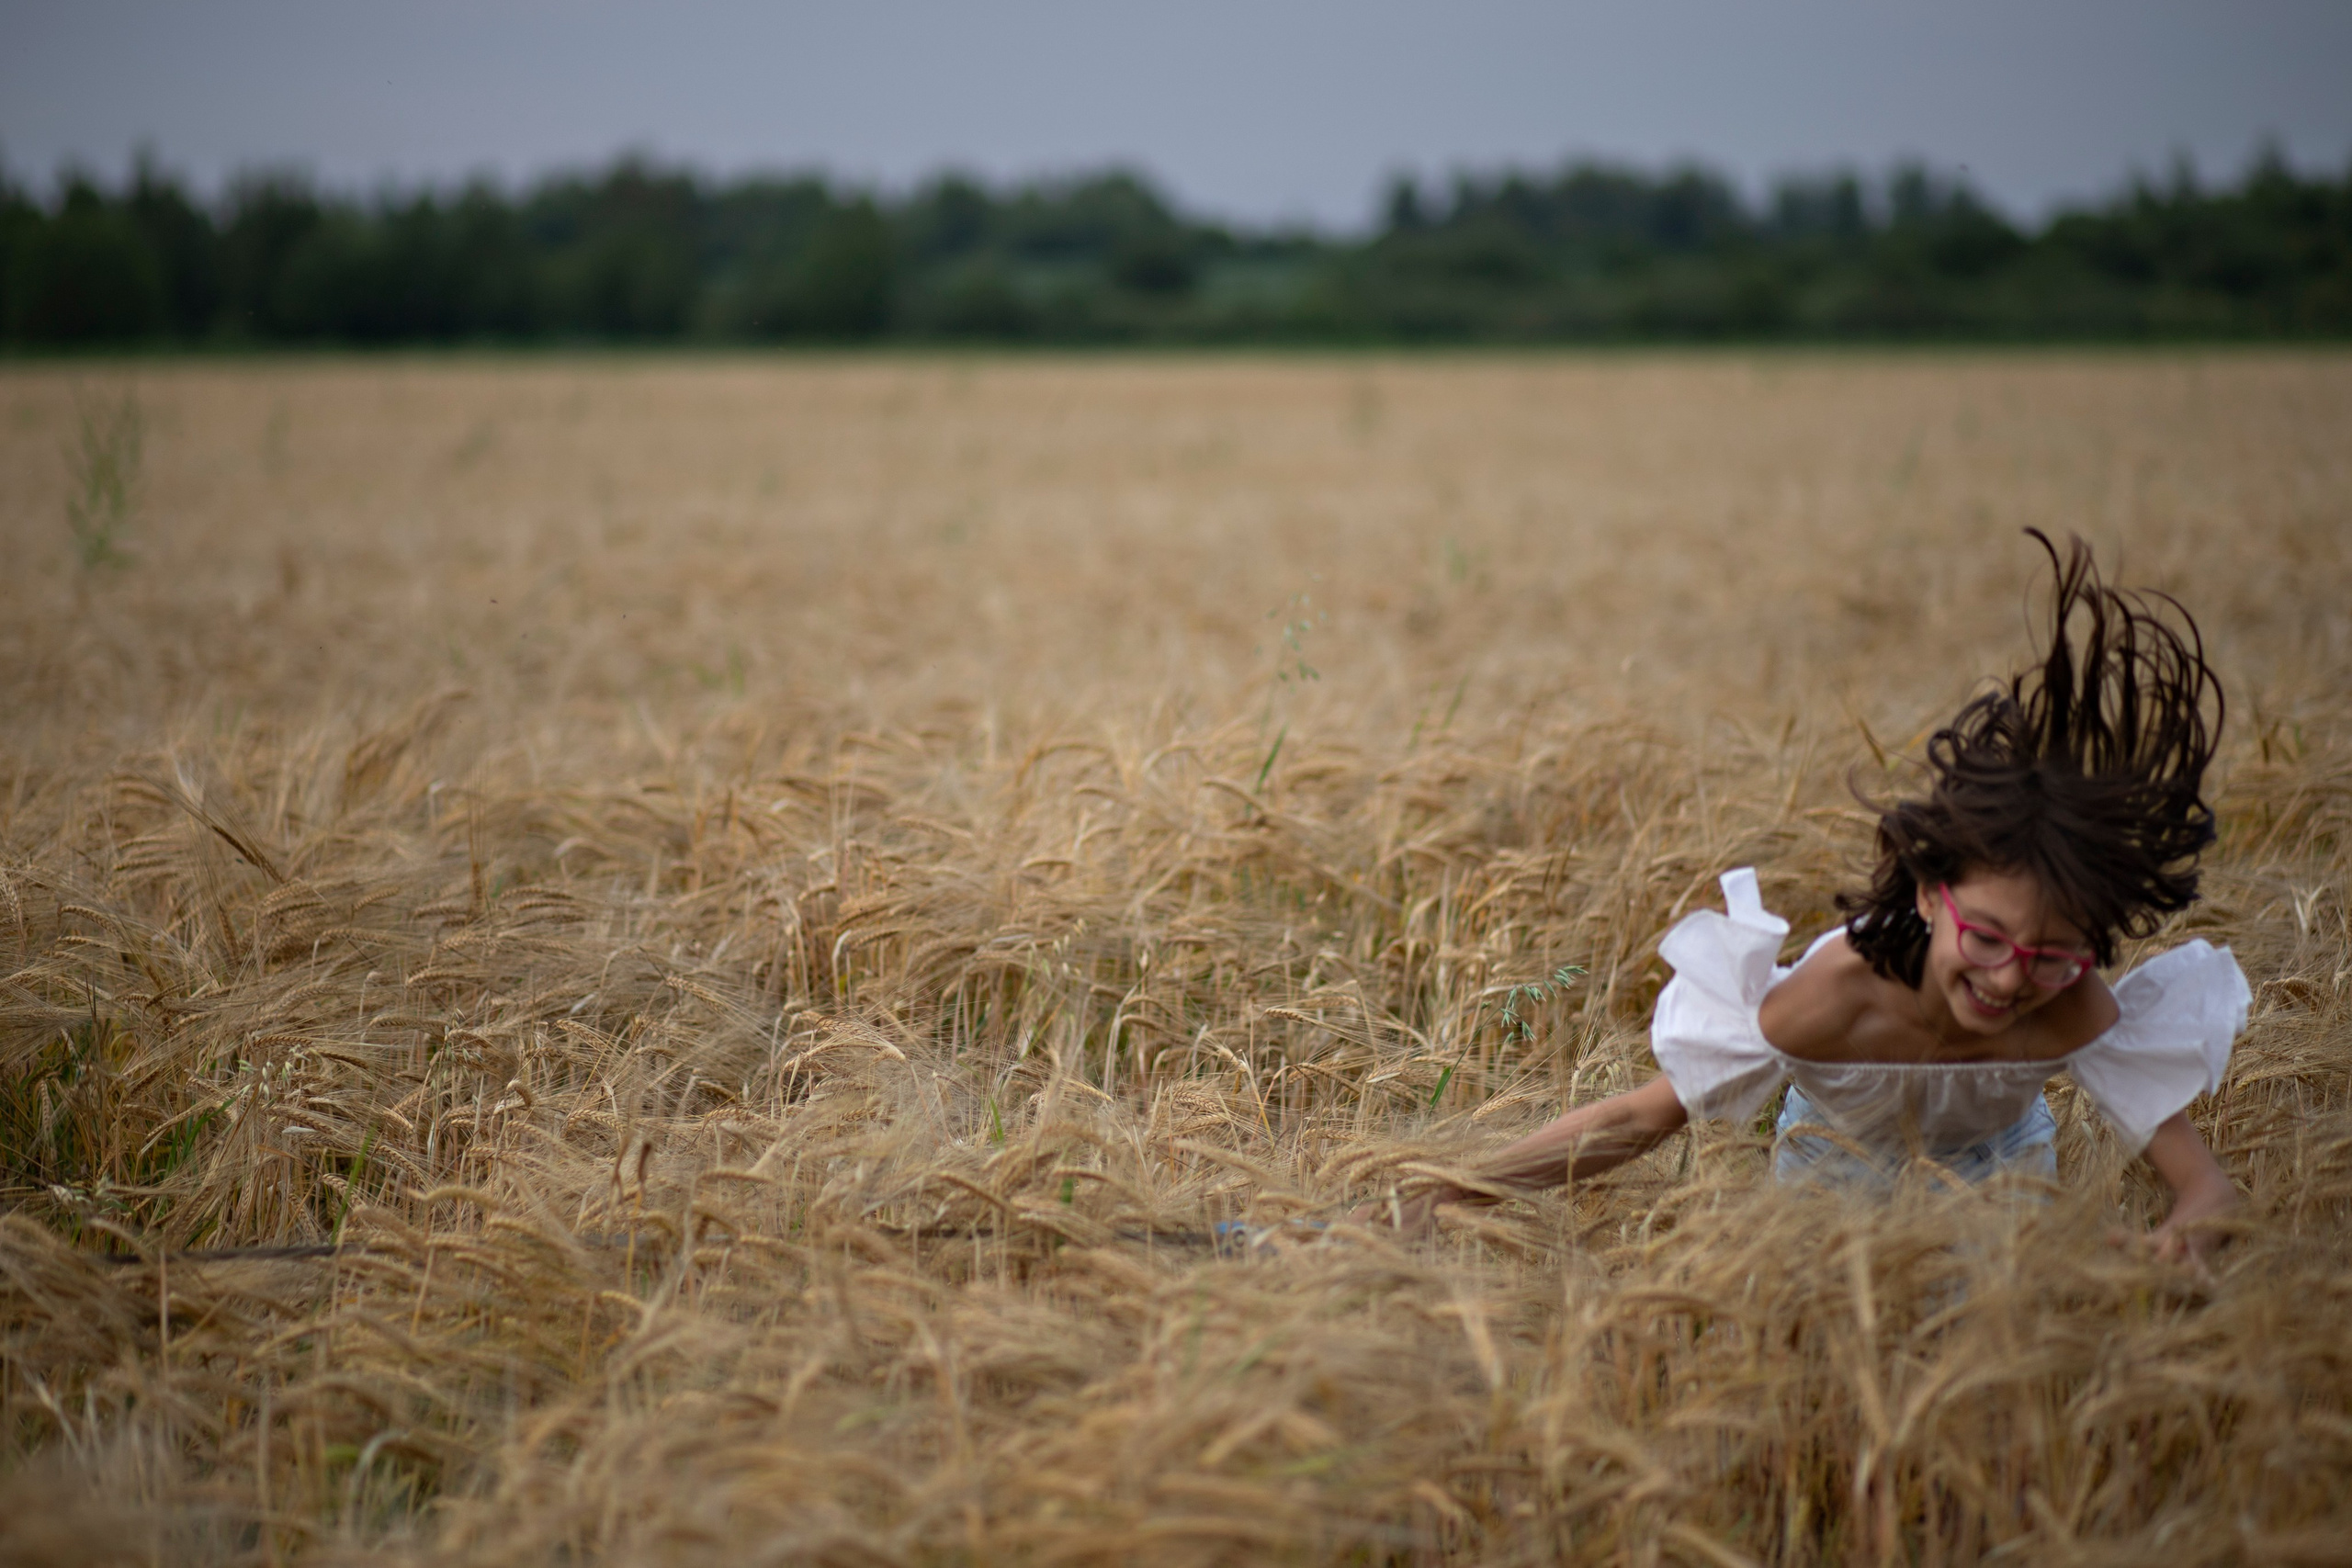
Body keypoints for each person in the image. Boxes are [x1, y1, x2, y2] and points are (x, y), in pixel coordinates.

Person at [1388, 534, 2250, 1264]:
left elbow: (2206, 1185)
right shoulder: (1830, 998)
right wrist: (1446, 1194)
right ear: (1928, 893)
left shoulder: (2067, 1004)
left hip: (2005, 1195)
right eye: (1986, 937)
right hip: (1828, 1186)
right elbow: (1638, 1115)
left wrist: (2185, 1230)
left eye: (2054, 954)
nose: (2010, 979)